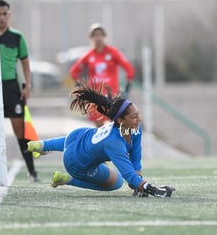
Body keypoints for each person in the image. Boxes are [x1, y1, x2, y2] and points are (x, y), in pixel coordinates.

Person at [27, 82, 175, 197]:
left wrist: (139, 178)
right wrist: (151, 188)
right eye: (134, 116)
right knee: (116, 182)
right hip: (74, 163)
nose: (139, 119)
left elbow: (136, 153)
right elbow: (127, 174)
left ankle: (41, 145)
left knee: (73, 142)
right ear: (121, 121)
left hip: (77, 136)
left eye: (138, 114)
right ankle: (66, 179)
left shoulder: (136, 128)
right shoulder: (114, 143)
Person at [0, 0, 40, 182]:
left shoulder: (17, 37)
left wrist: (28, 85)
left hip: (11, 87)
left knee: (20, 131)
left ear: (9, 14)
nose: (0, 18)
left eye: (4, 14)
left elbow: (25, 63)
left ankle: (32, 171)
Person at [69, 24, 136, 127]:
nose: (98, 38)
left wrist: (127, 85)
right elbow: (74, 71)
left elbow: (129, 69)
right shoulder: (89, 55)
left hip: (112, 96)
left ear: (105, 37)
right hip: (96, 97)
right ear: (91, 38)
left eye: (100, 35)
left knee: (114, 125)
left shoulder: (113, 53)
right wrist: (79, 86)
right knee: (99, 129)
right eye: (95, 35)